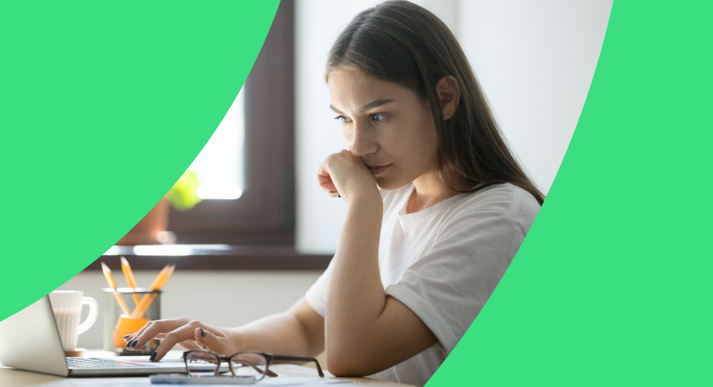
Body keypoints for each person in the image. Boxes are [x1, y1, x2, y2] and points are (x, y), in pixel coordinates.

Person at [124, 1, 543, 385]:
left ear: (445, 98)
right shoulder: (398, 197)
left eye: (379, 115)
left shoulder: (500, 218)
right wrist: (222, 340)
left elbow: (350, 353)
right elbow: (307, 326)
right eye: (345, 118)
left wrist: (361, 202)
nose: (358, 145)